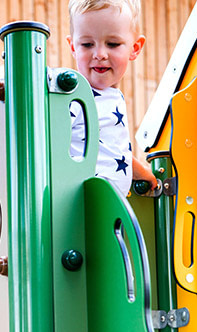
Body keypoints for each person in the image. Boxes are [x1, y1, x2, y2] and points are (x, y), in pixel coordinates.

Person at [67, 0, 158, 198]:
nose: (100, 54)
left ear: (135, 48)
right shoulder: (72, 97)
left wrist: (140, 172)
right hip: (83, 203)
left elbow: (110, 150)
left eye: (113, 44)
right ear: (73, 47)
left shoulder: (113, 97)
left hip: (111, 204)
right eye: (87, 44)